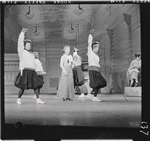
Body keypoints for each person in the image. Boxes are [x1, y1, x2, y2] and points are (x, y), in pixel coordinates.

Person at [14, 28, 45, 105]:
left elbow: (35, 64)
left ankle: (38, 100)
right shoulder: (22, 51)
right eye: (27, 45)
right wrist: (22, 33)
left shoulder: (32, 54)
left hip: (32, 71)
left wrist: (39, 71)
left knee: (36, 86)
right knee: (22, 87)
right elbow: (20, 43)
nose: (29, 46)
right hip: (25, 71)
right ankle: (18, 99)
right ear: (24, 46)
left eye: (30, 45)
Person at [87, 29, 107, 102]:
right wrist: (90, 35)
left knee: (103, 82)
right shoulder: (90, 53)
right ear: (93, 48)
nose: (97, 49)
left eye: (98, 47)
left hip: (97, 70)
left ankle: (92, 93)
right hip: (92, 70)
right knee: (96, 83)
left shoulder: (96, 55)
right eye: (96, 47)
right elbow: (89, 44)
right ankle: (94, 96)